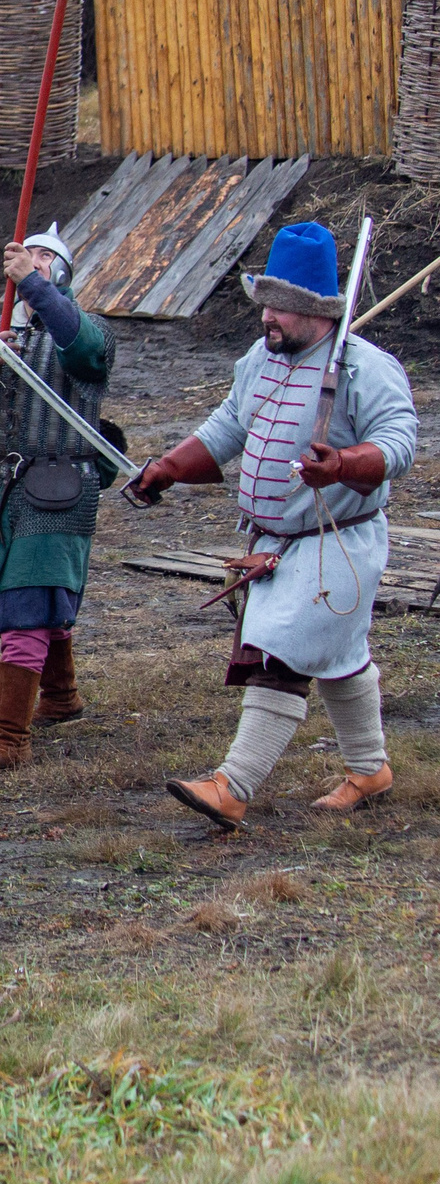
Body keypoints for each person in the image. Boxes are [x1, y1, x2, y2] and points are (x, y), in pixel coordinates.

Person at [130, 222, 419, 827]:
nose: (268, 318)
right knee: (339, 655)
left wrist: (340, 463)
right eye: (265, 304)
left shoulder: (367, 369)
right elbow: (227, 427)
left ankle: (232, 787)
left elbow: (398, 445)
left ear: (315, 313)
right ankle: (370, 770)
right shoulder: (258, 360)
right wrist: (167, 469)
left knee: (279, 655)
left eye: (280, 309)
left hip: (338, 541)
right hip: (275, 544)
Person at [0, 227, 111, 769]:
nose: (33, 263)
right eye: (28, 256)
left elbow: (82, 349)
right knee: (42, 593)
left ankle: (10, 737)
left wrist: (32, 283)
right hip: (13, 491)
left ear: (62, 274)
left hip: (63, 488)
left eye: (45, 259)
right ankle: (60, 696)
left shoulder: (90, 331)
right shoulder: (6, 335)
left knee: (28, 604)